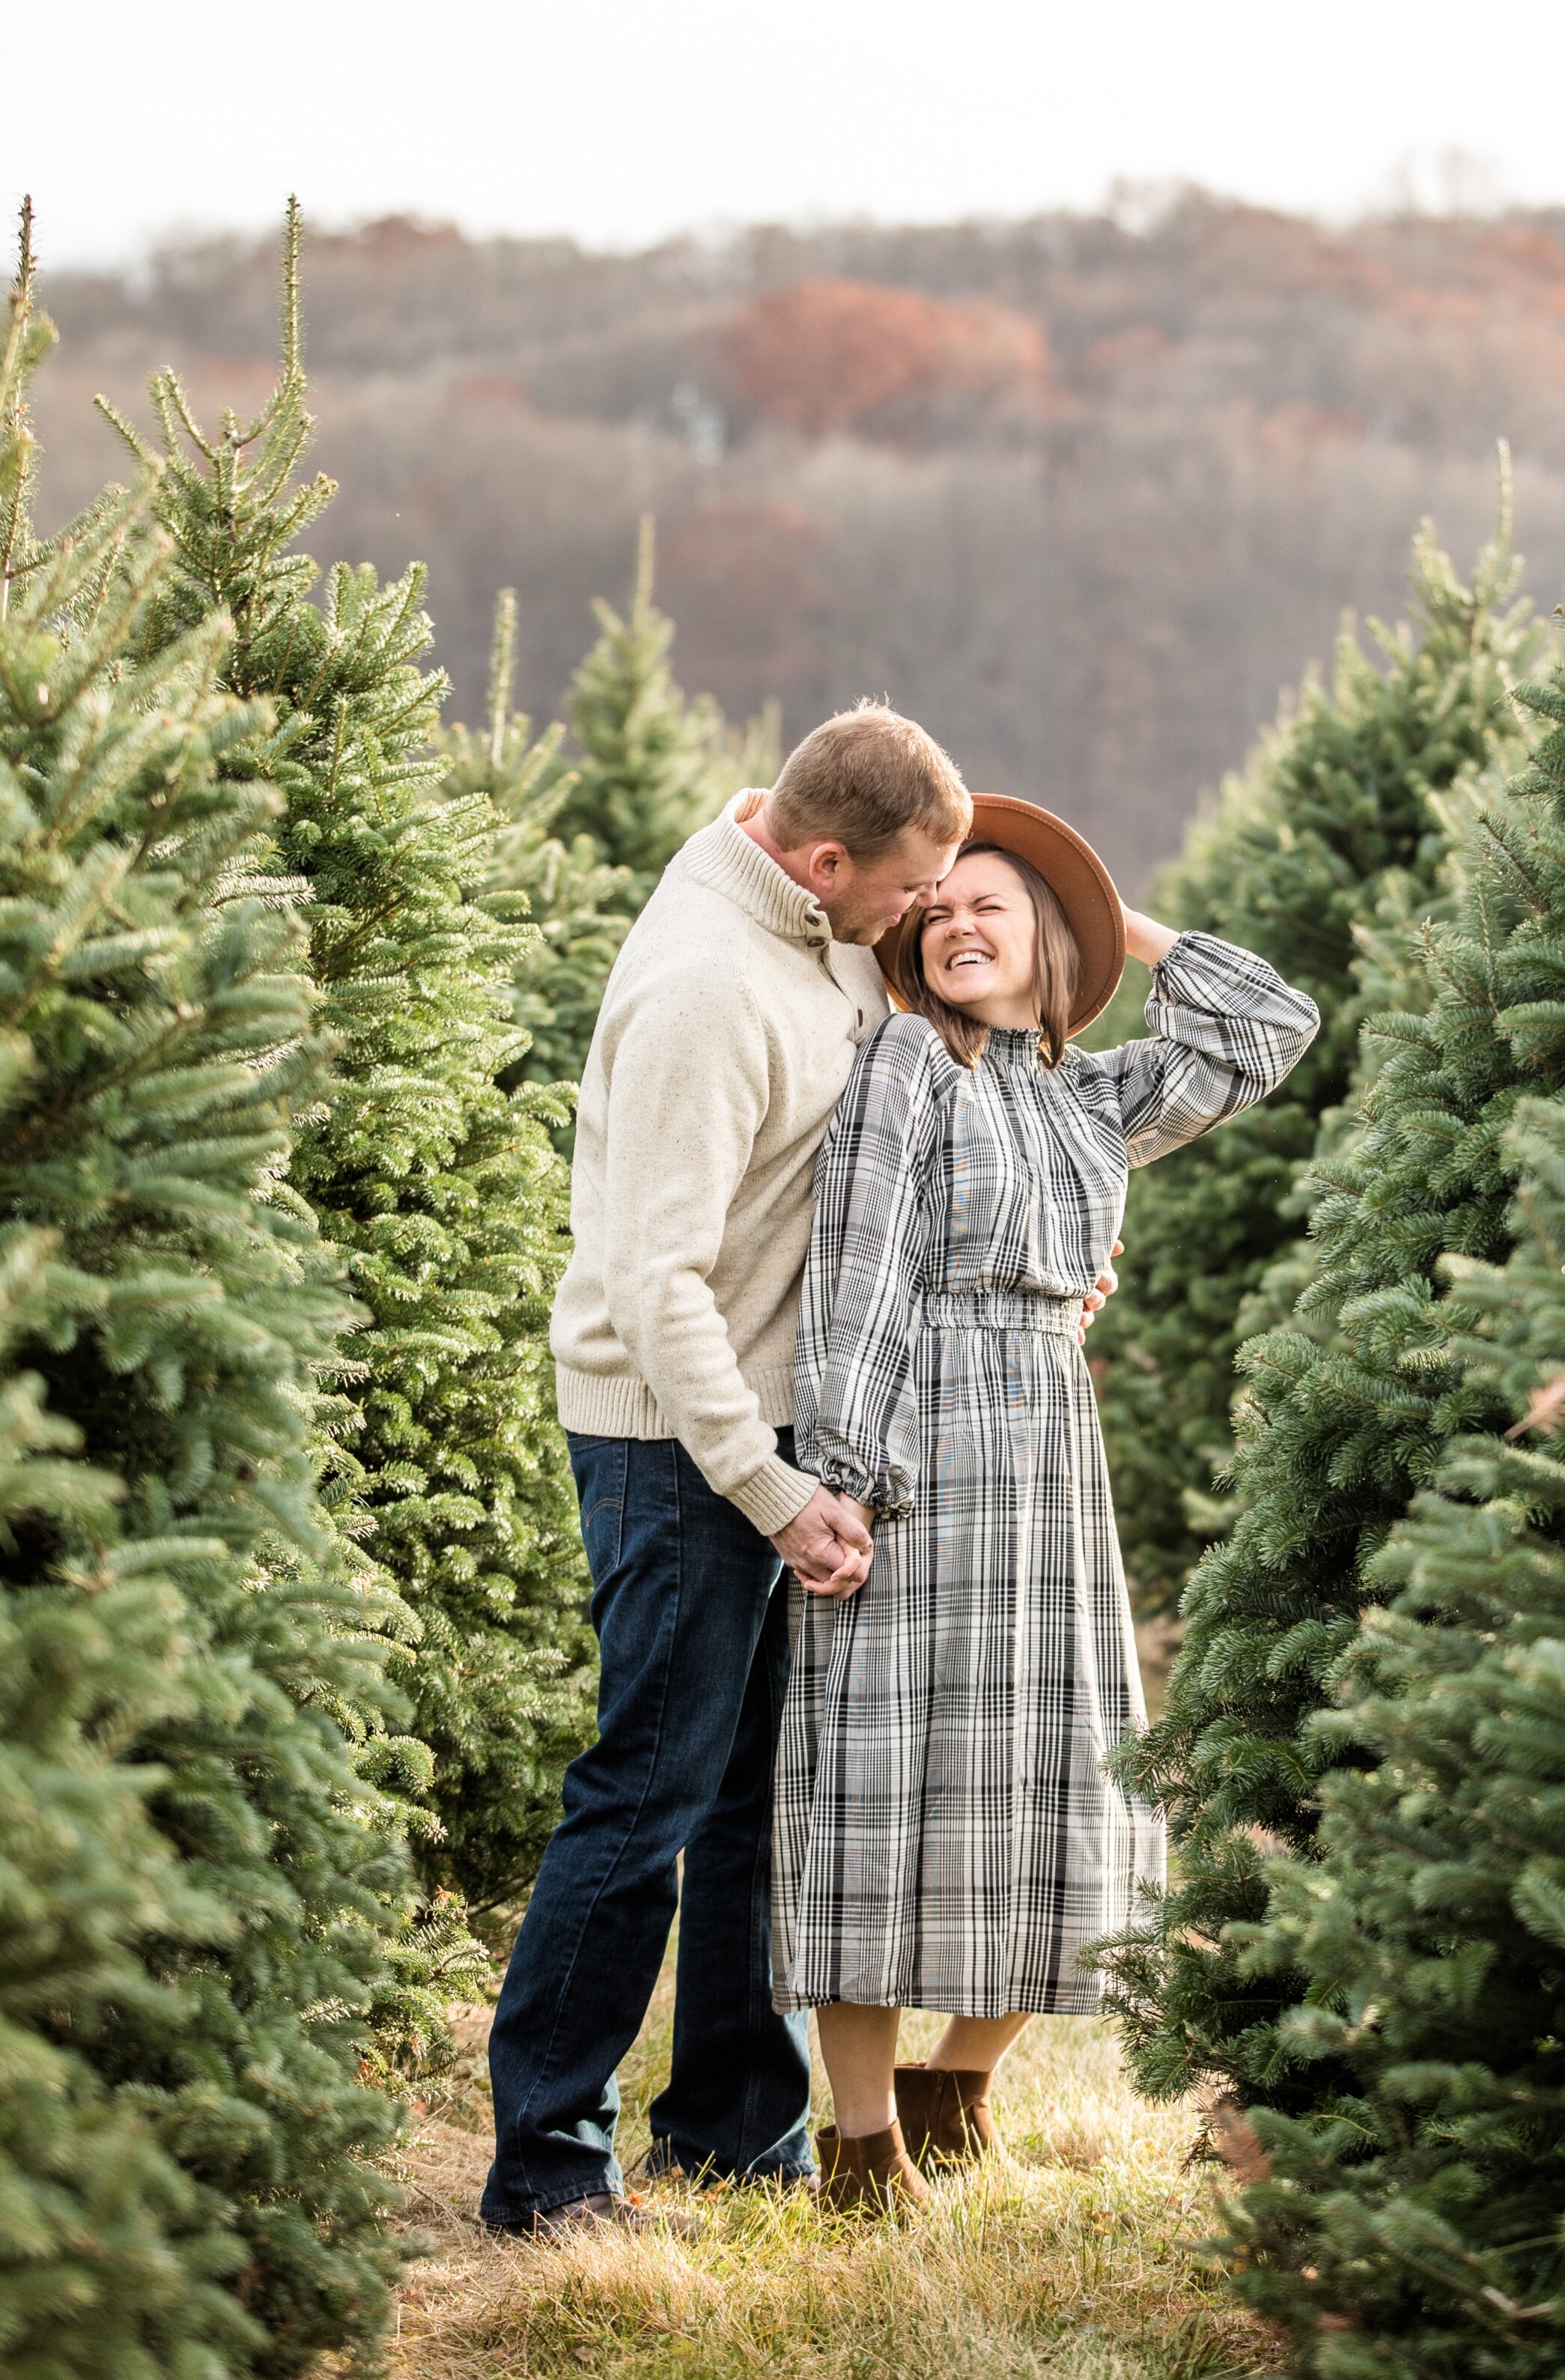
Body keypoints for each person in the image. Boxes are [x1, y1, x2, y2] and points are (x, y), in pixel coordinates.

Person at [772, 797, 1320, 2211]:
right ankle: (864, 2136)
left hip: (1051, 1458)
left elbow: (1268, 1027)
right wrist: (844, 1476)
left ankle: (964, 2076)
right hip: (922, 1438)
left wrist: (1108, 918)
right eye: (939, 906)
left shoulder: (1086, 1096)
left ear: (1046, 949)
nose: (957, 922)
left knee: (1063, 1769)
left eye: (992, 908)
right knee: (887, 1770)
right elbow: (861, 1272)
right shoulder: (903, 1062)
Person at [479, 705, 973, 2236]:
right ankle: (547, 2169)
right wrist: (765, 1486)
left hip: (763, 1431)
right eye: (903, 887)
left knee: (757, 1800)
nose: (918, 916)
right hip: (674, 1441)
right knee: (645, 1797)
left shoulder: (810, 920)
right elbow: (654, 1281)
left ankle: (731, 2131)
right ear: (823, 860)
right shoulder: (706, 987)